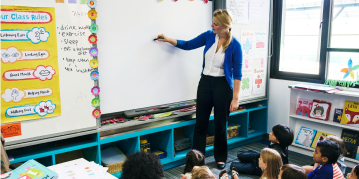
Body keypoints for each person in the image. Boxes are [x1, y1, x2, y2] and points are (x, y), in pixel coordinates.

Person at [156, 9, 243, 169]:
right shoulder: (209, 36)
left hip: (223, 86)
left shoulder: (235, 45)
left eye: (215, 24)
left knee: (220, 124)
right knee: (200, 123)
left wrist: (235, 98)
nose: (212, 25)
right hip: (205, 83)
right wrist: (169, 39)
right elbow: (188, 45)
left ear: (224, 26)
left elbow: (237, 74)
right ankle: (197, 159)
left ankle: (220, 157)